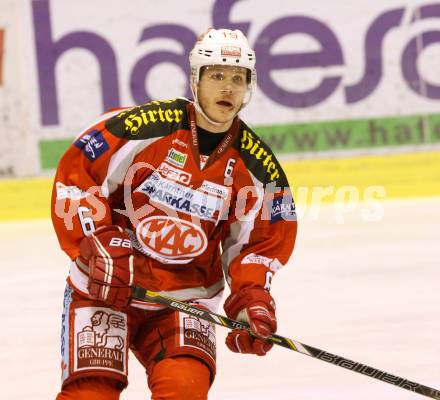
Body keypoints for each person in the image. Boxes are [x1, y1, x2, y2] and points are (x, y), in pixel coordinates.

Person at [51, 27, 297, 400]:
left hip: (186, 299)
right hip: (105, 289)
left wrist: (252, 300)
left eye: (237, 78)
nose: (227, 88)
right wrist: (97, 239)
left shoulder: (259, 168)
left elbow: (260, 244)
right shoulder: (142, 127)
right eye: (216, 76)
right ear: (195, 79)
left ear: (250, 85)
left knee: (184, 390)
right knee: (91, 395)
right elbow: (77, 176)